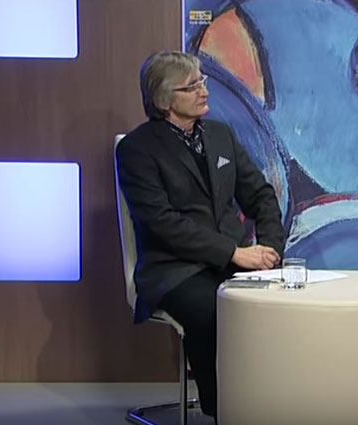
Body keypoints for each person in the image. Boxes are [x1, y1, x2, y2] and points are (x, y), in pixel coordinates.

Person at [116, 51, 285, 419]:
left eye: (201, 81)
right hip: (175, 268)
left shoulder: (221, 136)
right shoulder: (137, 150)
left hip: (231, 262)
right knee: (213, 309)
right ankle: (226, 410)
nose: (203, 91)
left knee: (284, 302)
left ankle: (274, 404)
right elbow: (163, 223)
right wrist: (233, 253)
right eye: (191, 86)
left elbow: (260, 195)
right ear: (164, 100)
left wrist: (270, 247)